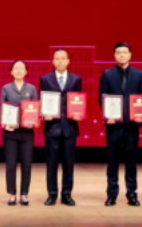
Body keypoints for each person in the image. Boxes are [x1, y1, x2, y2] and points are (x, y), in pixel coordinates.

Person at [99, 42, 142, 207]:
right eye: (118, 52)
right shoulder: (107, 74)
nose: (121, 55)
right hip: (113, 125)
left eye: (124, 52)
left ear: (130, 55)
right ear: (114, 55)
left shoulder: (139, 74)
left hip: (132, 125)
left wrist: (141, 115)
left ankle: (132, 194)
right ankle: (111, 194)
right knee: (112, 161)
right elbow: (101, 97)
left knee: (131, 161)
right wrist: (107, 115)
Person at [40, 49, 83, 207]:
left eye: (63, 58)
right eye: (57, 58)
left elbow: (78, 100)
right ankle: (52, 194)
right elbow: (42, 100)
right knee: (51, 164)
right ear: (52, 61)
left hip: (70, 127)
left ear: (68, 61)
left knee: (68, 164)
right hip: (52, 127)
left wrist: (78, 113)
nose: (60, 61)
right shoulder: (45, 79)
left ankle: (66, 194)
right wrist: (44, 114)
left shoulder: (76, 79)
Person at [0, 60, 38, 206]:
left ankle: (24, 194)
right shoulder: (6, 88)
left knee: (26, 164)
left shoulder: (31, 88)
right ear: (11, 72)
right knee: (11, 164)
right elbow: (1, 108)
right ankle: (12, 194)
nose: (19, 71)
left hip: (27, 133)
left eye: (22, 68)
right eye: (16, 68)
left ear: (26, 72)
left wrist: (34, 120)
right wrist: (4, 123)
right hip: (10, 133)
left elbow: (35, 108)